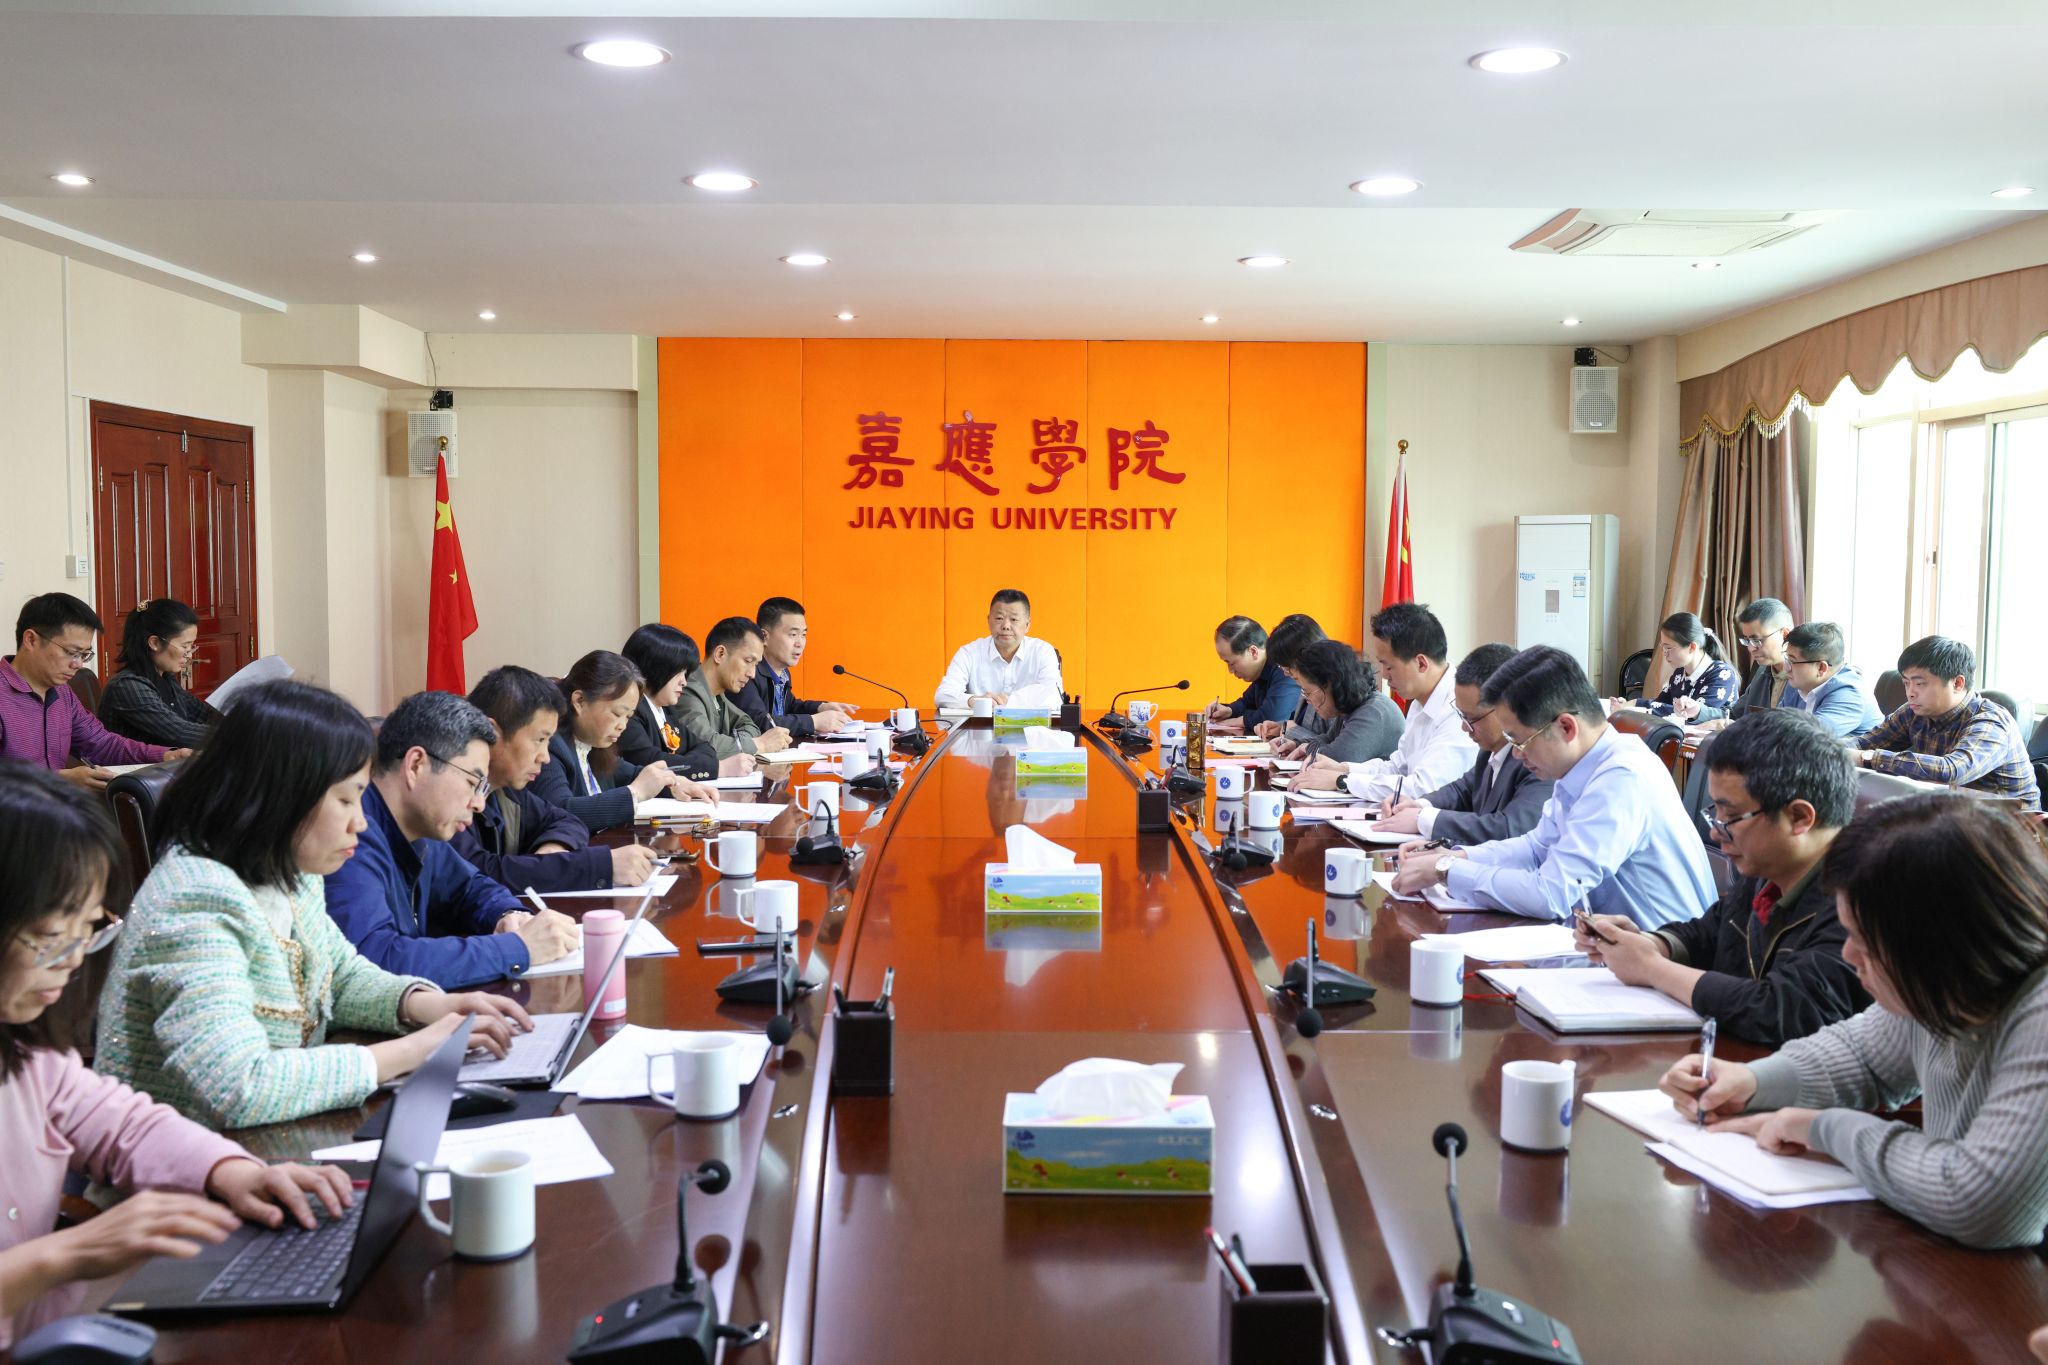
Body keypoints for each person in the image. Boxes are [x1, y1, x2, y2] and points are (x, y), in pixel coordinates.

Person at [0, 762, 352, 1351]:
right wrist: (68, 1253)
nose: (74, 960)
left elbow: (124, 1124)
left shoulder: (28, 1055)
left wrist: (233, 1172)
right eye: (51, 937)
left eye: (88, 931)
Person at [96, 682, 530, 1129]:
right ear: (284, 794)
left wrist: (425, 1004)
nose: (360, 822)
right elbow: (237, 1085)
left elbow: (338, 974)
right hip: (182, 1161)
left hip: (267, 1140)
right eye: (345, 799)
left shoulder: (291, 871)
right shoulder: (195, 899)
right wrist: (414, 1050)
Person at [1660, 795, 2048, 1250]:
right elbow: (1861, 1056)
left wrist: (1823, 1129)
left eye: (1866, 941)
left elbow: (1982, 1203)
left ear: (1942, 944)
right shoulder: (1949, 984)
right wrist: (1750, 1082)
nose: (1848, 954)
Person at [1574, 708, 1870, 1046]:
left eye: (1730, 817)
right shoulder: (1769, 866)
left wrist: (1651, 968)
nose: (1716, 833)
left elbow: (1785, 1010)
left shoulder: (1863, 901)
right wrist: (1650, 944)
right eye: (1714, 813)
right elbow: (1711, 932)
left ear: (1800, 817)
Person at [1395, 645, 1714, 928]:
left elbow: (1551, 894)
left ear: (1566, 727)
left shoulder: (1621, 778)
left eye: (1520, 741)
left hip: (1660, 958)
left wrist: (1447, 870)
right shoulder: (1580, 766)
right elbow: (1536, 848)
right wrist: (1458, 856)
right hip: (1606, 945)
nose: (1516, 754)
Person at [325, 690, 580, 989]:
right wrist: (517, 948)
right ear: (416, 764)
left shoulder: (421, 828)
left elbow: (470, 886)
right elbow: (376, 959)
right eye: (472, 782)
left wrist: (509, 915)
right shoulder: (349, 836)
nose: (479, 803)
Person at [456, 666, 657, 894]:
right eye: (539, 740)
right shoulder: (449, 796)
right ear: (493, 733)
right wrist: (600, 867)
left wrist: (554, 849)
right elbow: (480, 873)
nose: (545, 757)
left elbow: (566, 819)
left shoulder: (506, 789)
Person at [1370, 643, 1552, 845]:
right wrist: (1419, 805)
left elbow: (1510, 828)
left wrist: (1424, 819)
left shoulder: (1538, 758)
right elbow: (1462, 790)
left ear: (1506, 708)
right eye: (1462, 716)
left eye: (1472, 718)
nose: (1465, 728)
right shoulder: (1490, 749)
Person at [1, 592, 186, 787]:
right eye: (72, 652)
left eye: (84, 655)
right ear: (31, 640)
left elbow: (101, 744)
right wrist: (61, 780)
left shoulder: (62, 692)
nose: (78, 664)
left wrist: (166, 756)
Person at [1296, 602, 1475, 799]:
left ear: (1421, 663)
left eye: (1389, 667)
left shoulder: (1459, 708)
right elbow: (1397, 767)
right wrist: (1345, 769)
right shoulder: (1419, 702)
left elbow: (1424, 788)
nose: (1384, 675)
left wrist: (1343, 781)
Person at [534, 650, 718, 833]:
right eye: (617, 714)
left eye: (628, 717)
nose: (622, 726)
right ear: (580, 701)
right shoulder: (549, 745)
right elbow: (560, 812)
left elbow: (632, 774)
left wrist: (674, 783)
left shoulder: (593, 744)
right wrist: (634, 793)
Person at [1853, 635, 2040, 809]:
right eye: (1906, 683)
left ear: (1957, 683)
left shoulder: (1990, 720)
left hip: (2013, 823)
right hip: (1955, 813)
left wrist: (1867, 758)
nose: (1910, 693)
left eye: (1919, 684)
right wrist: (1840, 751)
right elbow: (1864, 742)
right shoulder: (1914, 711)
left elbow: (1954, 770)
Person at [95, 597, 220, 749]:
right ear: (155, 643)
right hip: (137, 765)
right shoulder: (127, 686)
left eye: (191, 646)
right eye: (185, 646)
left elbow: (201, 713)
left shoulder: (165, 677)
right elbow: (178, 732)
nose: (189, 654)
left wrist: (239, 721)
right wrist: (236, 734)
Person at [615, 624, 731, 779]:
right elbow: (651, 762)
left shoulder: (666, 710)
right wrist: (715, 769)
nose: (684, 682)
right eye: (679, 672)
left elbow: (704, 747)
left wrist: (686, 763)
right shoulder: (630, 711)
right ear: (656, 668)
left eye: (686, 673)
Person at [735, 598, 860, 739]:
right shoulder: (747, 673)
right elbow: (757, 723)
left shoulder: (782, 672)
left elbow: (789, 707)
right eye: (793, 635)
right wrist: (814, 722)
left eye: (803, 635)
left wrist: (820, 707)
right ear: (765, 636)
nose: (800, 643)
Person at [678, 619, 791, 761]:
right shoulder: (686, 689)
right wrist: (760, 744)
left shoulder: (718, 694)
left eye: (756, 664)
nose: (752, 674)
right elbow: (705, 746)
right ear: (720, 654)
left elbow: (750, 725)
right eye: (748, 661)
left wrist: (732, 744)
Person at [934, 589, 1064, 709]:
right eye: (999, 618)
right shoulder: (969, 653)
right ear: (988, 621)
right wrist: (974, 700)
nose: (1006, 626)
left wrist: (1011, 701)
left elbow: (1055, 697)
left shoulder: (1042, 652)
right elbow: (943, 695)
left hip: (1030, 726)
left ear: (1027, 625)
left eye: (1014, 619)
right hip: (980, 726)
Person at [1288, 640, 1404, 764]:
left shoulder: (1373, 712)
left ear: (1331, 684)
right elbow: (1328, 739)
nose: (1308, 701)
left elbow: (1335, 758)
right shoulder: (1349, 707)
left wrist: (1306, 749)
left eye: (1308, 692)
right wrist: (1296, 745)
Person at [1259, 615, 1347, 759]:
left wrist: (1292, 731)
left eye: (1287, 666)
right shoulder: (1305, 681)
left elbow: (1334, 744)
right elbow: (1302, 724)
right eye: (1282, 667)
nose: (1285, 673)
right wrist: (1282, 727)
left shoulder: (1334, 688)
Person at [1780, 621, 1884, 741]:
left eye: (1792, 661)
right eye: (1787, 659)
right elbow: (1774, 723)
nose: (1786, 667)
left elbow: (1803, 738)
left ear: (1821, 668)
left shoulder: (1849, 695)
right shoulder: (1797, 684)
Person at [1203, 616, 1302, 736]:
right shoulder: (1262, 671)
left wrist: (1241, 721)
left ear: (1253, 652)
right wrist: (1229, 710)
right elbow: (1247, 703)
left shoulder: (1283, 669)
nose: (1230, 670)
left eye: (1231, 663)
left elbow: (1272, 718)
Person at [1636, 611, 1738, 722]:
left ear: (1692, 647)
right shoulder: (1679, 674)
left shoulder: (1722, 674)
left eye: (1668, 648)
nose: (1665, 653)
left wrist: (1637, 704)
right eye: (1663, 647)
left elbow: (1692, 714)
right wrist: (1632, 707)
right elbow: (1659, 704)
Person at [1724, 597, 1797, 722]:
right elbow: (1735, 713)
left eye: (1757, 640)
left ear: (1785, 634)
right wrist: (1698, 711)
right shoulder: (1761, 672)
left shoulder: (1805, 677)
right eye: (1747, 641)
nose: (1751, 648)